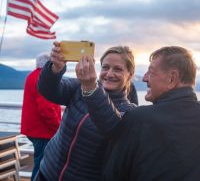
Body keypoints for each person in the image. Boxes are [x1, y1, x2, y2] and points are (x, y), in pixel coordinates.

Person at [84, 46, 200, 181]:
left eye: (151, 72)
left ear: (172, 79)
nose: (144, 78)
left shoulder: (137, 119)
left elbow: (111, 175)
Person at [34, 42, 136, 181]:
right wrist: (55, 69)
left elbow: (111, 126)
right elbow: (47, 90)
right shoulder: (79, 87)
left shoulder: (129, 111)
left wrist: (91, 89)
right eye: (105, 67)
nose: (109, 74)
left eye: (118, 69)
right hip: (47, 172)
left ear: (130, 75)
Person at [21, 52, 62, 181]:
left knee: (40, 163)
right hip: (43, 131)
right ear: (49, 64)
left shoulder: (32, 75)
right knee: (42, 166)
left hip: (34, 129)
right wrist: (58, 127)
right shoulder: (43, 78)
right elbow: (46, 109)